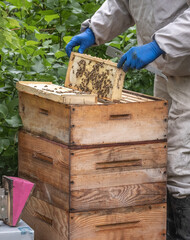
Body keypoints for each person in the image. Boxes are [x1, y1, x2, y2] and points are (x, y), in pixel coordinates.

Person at [65, 1, 190, 239]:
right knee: (161, 152)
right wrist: (94, 31)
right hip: (167, 68)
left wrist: (158, 45)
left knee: (181, 161)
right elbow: (122, 4)